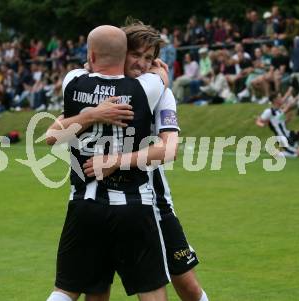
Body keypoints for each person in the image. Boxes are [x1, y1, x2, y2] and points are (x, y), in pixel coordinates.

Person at [47, 21, 209, 301]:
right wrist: (93, 114)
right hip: (118, 204)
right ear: (122, 53)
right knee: (99, 290)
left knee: (187, 284)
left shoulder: (160, 93)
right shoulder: (115, 86)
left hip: (154, 201)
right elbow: (53, 133)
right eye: (137, 55)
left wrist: (117, 160)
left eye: (150, 58)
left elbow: (169, 149)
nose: (143, 64)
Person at [256, 90, 299, 157]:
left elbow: (282, 123)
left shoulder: (279, 111)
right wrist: (261, 124)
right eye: (280, 97)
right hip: (282, 138)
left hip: (288, 133)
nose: (282, 99)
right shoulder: (269, 111)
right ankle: (277, 154)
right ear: (275, 100)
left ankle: (294, 146)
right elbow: (258, 121)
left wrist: (288, 119)